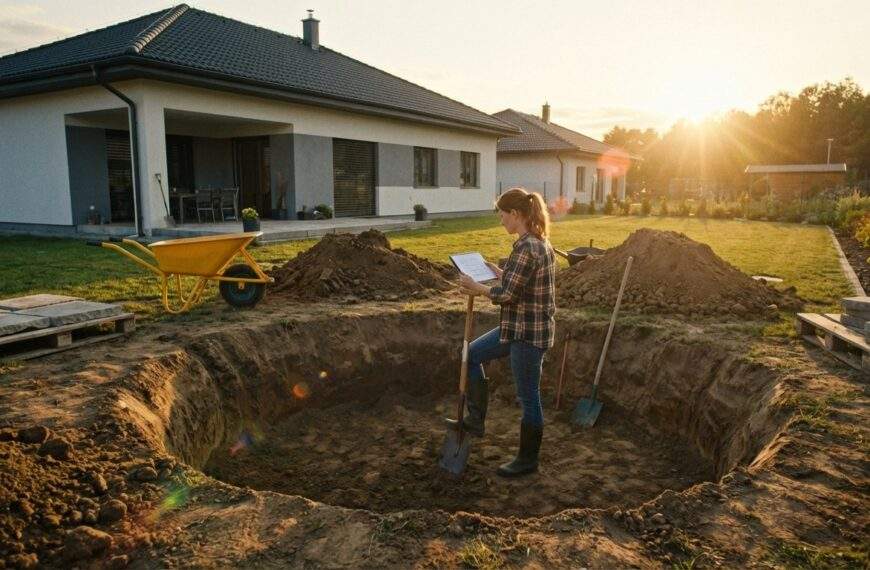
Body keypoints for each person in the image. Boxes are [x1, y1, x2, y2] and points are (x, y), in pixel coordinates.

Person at [447, 187, 556, 477]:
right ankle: (476, 419)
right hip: (516, 327)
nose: (501, 221)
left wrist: (477, 287)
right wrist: (499, 272)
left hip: (527, 334)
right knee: (471, 354)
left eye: (503, 215)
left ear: (516, 214)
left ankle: (527, 460)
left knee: (528, 397)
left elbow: (508, 295)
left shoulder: (526, 248)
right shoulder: (536, 243)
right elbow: (520, 283)